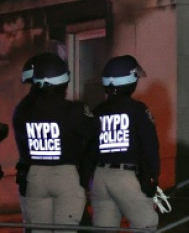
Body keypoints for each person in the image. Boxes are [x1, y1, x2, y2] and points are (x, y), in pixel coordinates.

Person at [13, 52, 96, 233]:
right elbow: (94, 137)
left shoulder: (22, 112)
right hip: (66, 175)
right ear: (64, 81)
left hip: (35, 177)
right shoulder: (74, 110)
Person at [90, 55, 160, 229]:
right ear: (130, 80)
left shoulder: (97, 111)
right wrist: (152, 176)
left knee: (104, 229)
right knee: (147, 224)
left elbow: (88, 148)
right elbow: (149, 146)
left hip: (100, 177)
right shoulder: (137, 110)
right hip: (126, 177)